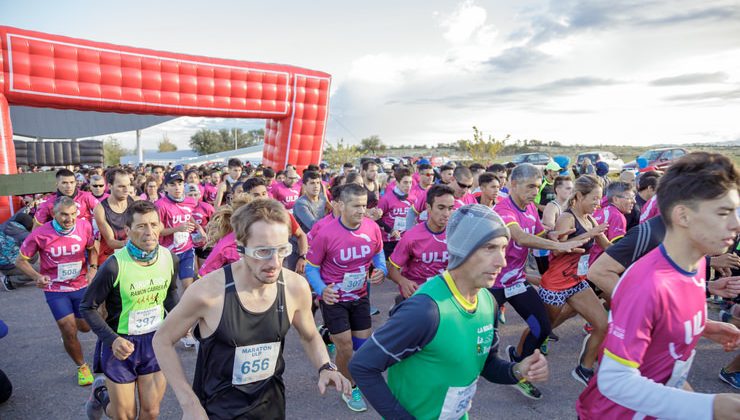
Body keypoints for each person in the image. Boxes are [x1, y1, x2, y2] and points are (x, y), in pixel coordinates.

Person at [152, 199, 352, 419]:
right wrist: (189, 403)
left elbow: (310, 335)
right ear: (240, 248)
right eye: (263, 252)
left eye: (282, 250)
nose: (275, 262)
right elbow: (162, 340)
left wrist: (325, 367)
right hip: (216, 411)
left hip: (271, 408)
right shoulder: (208, 292)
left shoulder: (295, 287)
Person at [577, 151, 740, 419]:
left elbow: (664, 346)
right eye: (723, 213)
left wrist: (704, 327)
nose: (736, 224)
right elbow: (614, 381)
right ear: (683, 216)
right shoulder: (649, 284)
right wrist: (710, 407)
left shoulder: (696, 261)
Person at [350, 204, 549, 419]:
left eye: (503, 248)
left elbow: (487, 364)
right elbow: (362, 366)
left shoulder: (487, 301)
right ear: (464, 249)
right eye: (490, 248)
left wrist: (518, 370)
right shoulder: (426, 311)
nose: (502, 261)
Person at [490, 163, 586, 399]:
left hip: (516, 282)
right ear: (513, 184)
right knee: (484, 339)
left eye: (538, 186)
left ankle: (518, 365)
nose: (535, 191)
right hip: (492, 284)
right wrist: (558, 245)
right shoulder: (504, 210)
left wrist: (552, 234)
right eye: (530, 186)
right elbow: (521, 238)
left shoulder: (530, 207)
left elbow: (537, 231)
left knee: (542, 327)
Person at [81, 200, 179, 420]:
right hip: (121, 344)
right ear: (127, 231)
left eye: (154, 225)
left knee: (151, 412)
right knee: (124, 416)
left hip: (155, 341)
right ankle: (101, 395)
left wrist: (178, 322)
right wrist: (112, 339)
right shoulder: (114, 265)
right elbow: (87, 307)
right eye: (141, 226)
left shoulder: (169, 258)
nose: (149, 232)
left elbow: (171, 294)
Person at [304, 183, 387, 412]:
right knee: (346, 348)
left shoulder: (372, 228)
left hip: (360, 297)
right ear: (340, 205)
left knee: (362, 346)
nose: (362, 211)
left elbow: (379, 252)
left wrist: (382, 268)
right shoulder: (326, 233)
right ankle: (349, 387)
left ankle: (329, 338)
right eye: (356, 206)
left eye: (364, 205)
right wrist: (322, 290)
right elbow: (311, 267)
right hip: (334, 299)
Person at [15, 196, 98, 386]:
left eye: (72, 214)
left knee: (85, 327)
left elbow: (93, 248)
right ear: (53, 214)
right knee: (68, 329)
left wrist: (93, 268)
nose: (68, 219)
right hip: (56, 289)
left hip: (80, 285)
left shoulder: (84, 226)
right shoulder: (40, 234)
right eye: (63, 215)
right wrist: (37, 276)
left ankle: (71, 333)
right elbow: (20, 261)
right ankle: (82, 367)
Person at [536, 175, 610, 386]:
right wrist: (589, 235)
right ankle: (517, 354)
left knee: (602, 324)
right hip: (557, 283)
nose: (598, 203)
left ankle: (584, 368)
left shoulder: (591, 220)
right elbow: (558, 252)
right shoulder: (567, 218)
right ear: (579, 196)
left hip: (577, 281)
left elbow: (609, 248)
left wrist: (638, 254)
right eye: (595, 199)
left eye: (600, 199)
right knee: (542, 328)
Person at [388, 184, 454, 300]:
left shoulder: (456, 235)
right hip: (417, 296)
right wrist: (403, 281)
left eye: (450, 208)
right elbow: (392, 269)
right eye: (441, 207)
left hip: (444, 296)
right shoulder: (411, 236)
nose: (447, 214)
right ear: (428, 207)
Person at [34, 169, 99, 228]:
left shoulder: (87, 197)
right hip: (60, 237)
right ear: (56, 184)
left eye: (72, 182)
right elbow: (36, 232)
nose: (69, 186)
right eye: (64, 183)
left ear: (75, 183)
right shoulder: (48, 204)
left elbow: (103, 216)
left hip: (86, 237)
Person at [95, 169, 135, 267]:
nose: (126, 190)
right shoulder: (100, 209)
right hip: (110, 260)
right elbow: (111, 242)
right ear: (110, 186)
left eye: (128, 185)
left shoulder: (132, 202)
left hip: (131, 256)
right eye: (121, 186)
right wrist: (132, 243)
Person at [376, 166, 415, 257]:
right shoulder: (386, 199)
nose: (408, 185)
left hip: (405, 239)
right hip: (389, 241)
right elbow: (377, 219)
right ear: (397, 183)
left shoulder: (413, 198)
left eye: (410, 182)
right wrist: (390, 230)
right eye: (405, 182)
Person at [0, 212, 35, 290]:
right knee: (42, 271)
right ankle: (11, 282)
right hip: (9, 265)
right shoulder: (22, 233)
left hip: (4, 262)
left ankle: (14, 273)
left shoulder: (6, 225)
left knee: (34, 256)